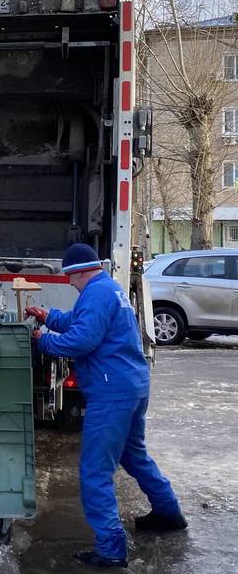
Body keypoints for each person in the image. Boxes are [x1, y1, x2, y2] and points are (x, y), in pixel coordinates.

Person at [26, 243, 186, 569]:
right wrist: (50, 317)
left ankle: (111, 548)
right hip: (133, 386)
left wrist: (43, 340)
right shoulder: (108, 289)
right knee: (134, 455)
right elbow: (81, 321)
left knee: (95, 471)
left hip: (111, 392)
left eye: (71, 277)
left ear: (81, 271)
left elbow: (83, 340)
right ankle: (168, 512)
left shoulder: (96, 293)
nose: (70, 283)